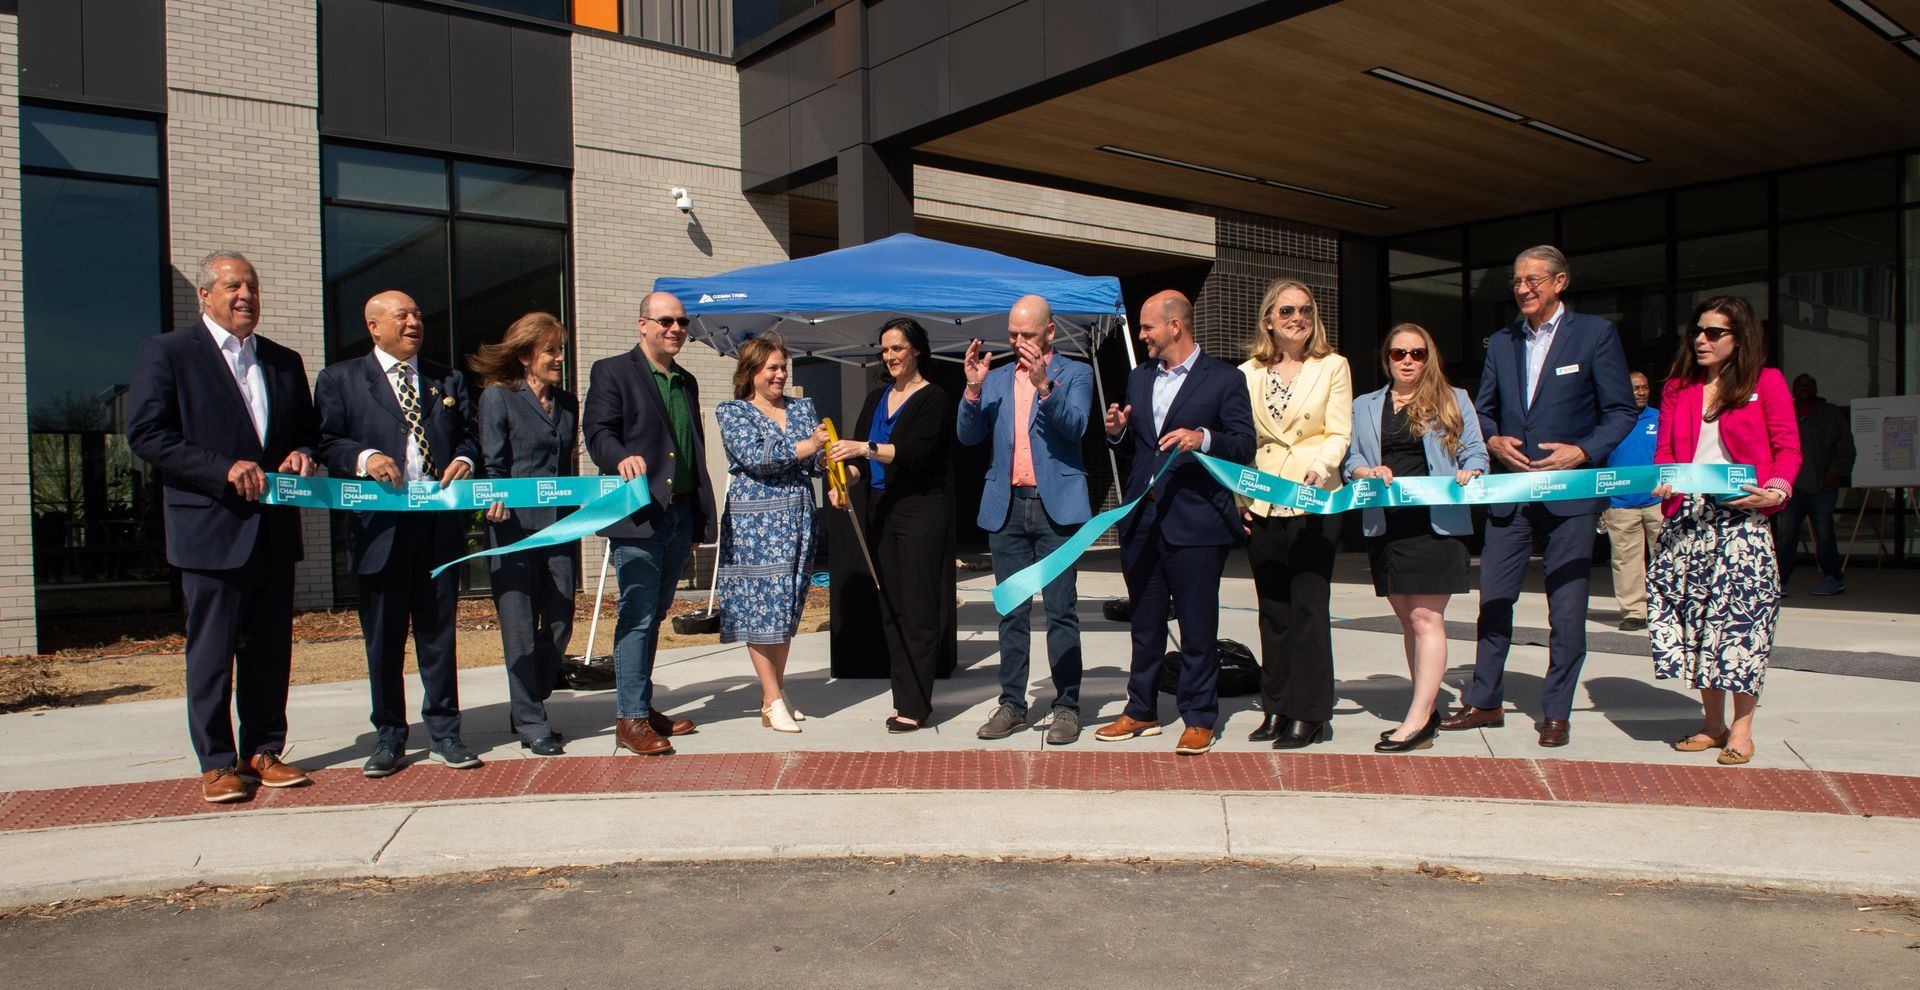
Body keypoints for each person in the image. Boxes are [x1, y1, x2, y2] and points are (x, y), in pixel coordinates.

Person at [126, 250, 318, 803]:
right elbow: (147, 435)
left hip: (273, 532)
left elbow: (305, 431)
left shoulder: (284, 361)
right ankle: (216, 762)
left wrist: (301, 453)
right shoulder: (169, 353)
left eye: (252, 286)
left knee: (269, 650)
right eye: (233, 285)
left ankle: (263, 750)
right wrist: (221, 468)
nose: (245, 296)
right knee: (211, 654)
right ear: (205, 295)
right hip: (209, 530)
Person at [1442, 245, 1636, 748]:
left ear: (1560, 282)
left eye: (1534, 280)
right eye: (1517, 281)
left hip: (1570, 496)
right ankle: (1485, 700)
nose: (1524, 289)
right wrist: (1490, 438)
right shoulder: (1503, 342)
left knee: (1566, 607)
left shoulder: (1595, 334)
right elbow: (1481, 410)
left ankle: (1556, 711)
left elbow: (1620, 412)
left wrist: (1583, 451)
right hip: (1512, 493)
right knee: (1495, 600)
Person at [316, 290, 483, 776]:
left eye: (417, 313)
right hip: (379, 531)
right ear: (374, 326)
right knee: (384, 640)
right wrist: (364, 458)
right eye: (402, 315)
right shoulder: (340, 379)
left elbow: (469, 434)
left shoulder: (445, 378)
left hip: (437, 529)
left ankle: (446, 732)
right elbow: (326, 441)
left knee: (439, 635)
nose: (414, 321)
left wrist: (466, 458)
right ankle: (389, 736)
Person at [1093, 290, 1255, 756]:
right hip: (1142, 520)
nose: (1142, 335)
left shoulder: (1223, 378)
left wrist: (1201, 438)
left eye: (1147, 328)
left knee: (1198, 627)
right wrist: (1117, 433)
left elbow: (1245, 446)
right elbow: (1138, 450)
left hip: (1197, 523)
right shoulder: (1140, 377)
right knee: (1144, 624)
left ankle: (1200, 717)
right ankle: (1141, 709)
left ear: (1175, 326)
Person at [1648, 296, 1800, 766]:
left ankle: (1742, 728)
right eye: (1698, 330)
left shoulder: (1765, 381)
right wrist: (1661, 483)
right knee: (1695, 621)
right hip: (1689, 518)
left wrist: (1775, 491)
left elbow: (1788, 448)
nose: (1701, 339)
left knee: (1741, 625)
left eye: (1714, 332)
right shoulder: (1678, 386)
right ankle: (1711, 724)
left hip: (1743, 519)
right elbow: (1667, 454)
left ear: (1740, 337)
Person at [957, 295, 1094, 746]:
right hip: (1008, 507)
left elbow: (1076, 428)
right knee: (1011, 613)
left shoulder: (1075, 373)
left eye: (1028, 335)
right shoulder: (994, 379)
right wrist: (973, 391)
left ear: (1050, 333)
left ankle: (1067, 706)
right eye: (1013, 335)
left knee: (1061, 611)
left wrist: (1044, 387)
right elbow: (968, 435)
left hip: (1058, 509)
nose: (1019, 343)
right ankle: (1013, 703)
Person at [1344, 324, 1486, 753]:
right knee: (1408, 620)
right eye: (1399, 353)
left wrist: (1472, 469)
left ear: (1430, 357)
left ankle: (1419, 719)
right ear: (1386, 359)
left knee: (1427, 619)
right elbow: (1352, 455)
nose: (1408, 360)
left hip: (1435, 524)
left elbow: (1476, 450)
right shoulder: (1365, 405)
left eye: (1418, 353)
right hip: (1388, 525)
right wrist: (1364, 471)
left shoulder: (1453, 398)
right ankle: (1424, 706)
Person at [584, 291, 712, 756]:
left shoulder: (687, 380)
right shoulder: (612, 371)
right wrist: (620, 458)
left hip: (679, 514)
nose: (675, 329)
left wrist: (699, 518)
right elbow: (597, 433)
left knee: (654, 616)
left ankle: (641, 705)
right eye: (665, 321)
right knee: (636, 616)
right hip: (637, 516)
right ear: (643, 325)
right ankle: (630, 719)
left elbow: (691, 450)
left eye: (681, 322)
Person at [1235, 279, 1351, 749]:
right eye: (1286, 311)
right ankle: (1276, 707)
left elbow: (1338, 433)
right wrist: (1242, 500)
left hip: (1314, 498)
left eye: (1305, 309)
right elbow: (1244, 444)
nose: (1297, 317)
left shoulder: (1333, 366)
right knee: (1272, 613)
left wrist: (1320, 470)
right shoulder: (1247, 373)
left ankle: (1311, 713)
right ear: (1269, 320)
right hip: (1263, 500)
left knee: (1308, 609)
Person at [828, 318, 955, 733]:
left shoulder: (933, 398)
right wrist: (844, 480)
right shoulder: (875, 398)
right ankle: (904, 696)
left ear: (916, 349)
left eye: (897, 348)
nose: (890, 356)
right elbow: (862, 465)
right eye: (884, 350)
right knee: (891, 607)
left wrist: (864, 447)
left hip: (920, 511)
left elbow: (916, 454)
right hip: (882, 510)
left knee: (918, 608)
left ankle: (916, 704)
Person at [470, 312, 578, 757]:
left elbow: (567, 464)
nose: (558, 357)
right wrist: (492, 500)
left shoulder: (568, 403)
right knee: (517, 628)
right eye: (550, 350)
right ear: (524, 355)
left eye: (560, 349)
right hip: (512, 529)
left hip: (561, 528)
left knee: (560, 622)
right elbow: (492, 465)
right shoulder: (499, 398)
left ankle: (526, 700)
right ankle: (532, 721)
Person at [713, 334, 827, 734]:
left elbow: (816, 462)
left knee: (786, 606)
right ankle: (772, 698)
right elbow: (756, 458)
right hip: (754, 522)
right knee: (761, 606)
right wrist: (809, 445)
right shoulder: (734, 412)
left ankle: (774, 695)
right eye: (771, 368)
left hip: (797, 516)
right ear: (751, 372)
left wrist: (832, 468)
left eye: (783, 367)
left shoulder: (801, 407)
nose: (780, 375)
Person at [1777, 374, 1854, 596]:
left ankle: (1834, 578)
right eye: (1799, 385)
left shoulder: (1831, 414)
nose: (1804, 388)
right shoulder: (1785, 412)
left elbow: (1846, 448)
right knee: (1786, 536)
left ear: (1815, 388)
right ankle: (1780, 582)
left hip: (1822, 486)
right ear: (1793, 390)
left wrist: (1835, 472)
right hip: (1790, 487)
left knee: (1824, 534)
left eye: (1808, 385)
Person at [1603, 371, 1663, 631]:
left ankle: (1665, 608)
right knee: (1626, 560)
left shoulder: (1661, 417)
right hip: (1620, 502)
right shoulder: (1610, 421)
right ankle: (1634, 612)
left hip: (1658, 500)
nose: (1641, 392)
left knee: (1665, 557)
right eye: (1635, 388)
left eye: (1645, 387)